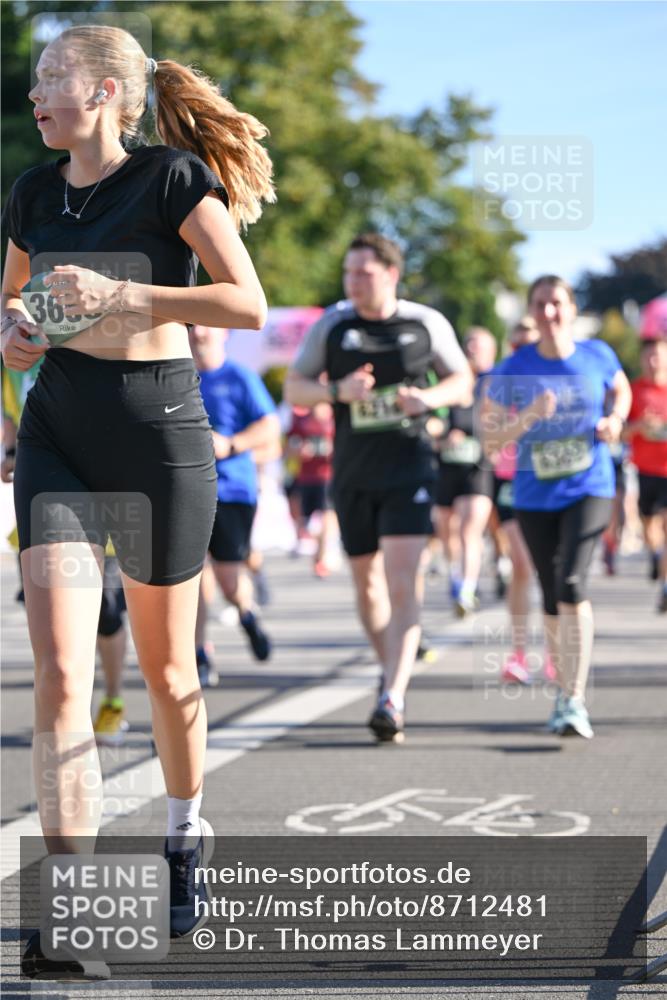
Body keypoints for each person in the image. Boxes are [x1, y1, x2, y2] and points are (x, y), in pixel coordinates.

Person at [1, 23, 272, 976]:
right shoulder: (31, 192)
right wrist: (17, 338)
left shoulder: (171, 182)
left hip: (158, 439)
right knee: (65, 678)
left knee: (168, 674)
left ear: (108, 92)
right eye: (34, 80)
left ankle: (186, 826)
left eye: (52, 78)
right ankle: (72, 909)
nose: (37, 94)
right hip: (58, 442)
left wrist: (127, 300)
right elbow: (13, 309)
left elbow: (246, 306)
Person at [285, 233, 472, 742]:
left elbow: (463, 380)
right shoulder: (334, 324)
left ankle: (392, 696)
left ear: (391, 274)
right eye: (349, 273)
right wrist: (335, 391)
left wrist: (428, 398)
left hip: (409, 469)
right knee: (366, 585)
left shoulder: (424, 323)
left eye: (363, 273)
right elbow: (294, 387)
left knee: (402, 581)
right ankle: (391, 662)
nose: (353, 282)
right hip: (352, 474)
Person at [483, 275, 631, 739]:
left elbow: (620, 389)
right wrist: (528, 416)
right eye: (541, 305)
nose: (549, 313)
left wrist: (614, 419)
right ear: (531, 311)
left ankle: (574, 698)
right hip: (533, 494)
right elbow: (489, 440)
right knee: (550, 594)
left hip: (590, 485)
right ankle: (563, 691)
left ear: (570, 308)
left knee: (571, 579)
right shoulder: (512, 369)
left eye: (557, 304)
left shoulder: (597, 355)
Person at [3, 363, 131, 743]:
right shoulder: (11, 349)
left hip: (102, 496)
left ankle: (112, 700)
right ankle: (67, 711)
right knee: (53, 627)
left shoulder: (90, 333)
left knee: (106, 614)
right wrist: (11, 451)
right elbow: (11, 412)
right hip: (44, 495)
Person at [189, 324, 280, 683]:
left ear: (224, 332)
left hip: (232, 490)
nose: (199, 334)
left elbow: (270, 426)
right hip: (186, 491)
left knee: (228, 580)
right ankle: (199, 652)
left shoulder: (239, 377)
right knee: (191, 576)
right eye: (193, 327)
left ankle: (246, 613)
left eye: (206, 327)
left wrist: (231, 444)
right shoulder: (178, 376)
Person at [489, 316, 556, 684]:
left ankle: (554, 653)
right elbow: (490, 434)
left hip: (551, 482)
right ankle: (518, 654)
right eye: (516, 346)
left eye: (529, 345)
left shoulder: (556, 377)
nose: (522, 353)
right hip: (511, 480)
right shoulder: (502, 379)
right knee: (521, 565)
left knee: (552, 569)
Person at [433, 326, 496, 617]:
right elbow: (428, 421)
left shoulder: (496, 385)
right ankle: (456, 576)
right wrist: (441, 437)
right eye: (468, 344)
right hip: (446, 467)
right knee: (448, 531)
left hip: (478, 466)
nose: (472, 350)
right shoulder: (447, 383)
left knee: (470, 528)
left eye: (478, 346)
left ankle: (466, 589)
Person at [625, 335, 667, 611]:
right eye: (649, 356)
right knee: (650, 528)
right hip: (645, 469)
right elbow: (621, 433)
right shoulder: (634, 390)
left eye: (659, 355)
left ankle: (665, 586)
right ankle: (656, 555)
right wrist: (640, 425)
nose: (653, 361)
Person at [285, 400, 337, 576]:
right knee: (306, 522)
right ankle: (311, 546)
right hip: (305, 477)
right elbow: (288, 446)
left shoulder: (335, 418)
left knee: (327, 517)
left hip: (328, 477)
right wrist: (298, 449)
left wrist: (330, 449)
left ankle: (322, 556)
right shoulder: (301, 419)